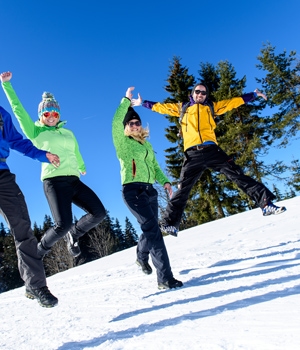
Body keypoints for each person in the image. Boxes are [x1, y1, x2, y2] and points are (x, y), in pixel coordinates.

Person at [131, 83, 286, 236]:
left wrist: (253, 95)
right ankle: (169, 224)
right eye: (197, 91)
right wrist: (143, 103)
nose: (200, 95)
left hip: (213, 151)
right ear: (192, 93)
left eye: (203, 93)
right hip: (192, 154)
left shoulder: (212, 107)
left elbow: (232, 102)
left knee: (238, 175)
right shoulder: (183, 108)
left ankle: (266, 204)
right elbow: (162, 107)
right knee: (183, 188)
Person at [0, 71, 106, 258]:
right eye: (46, 113)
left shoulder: (68, 133)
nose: (51, 116)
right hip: (53, 182)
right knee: (62, 224)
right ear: (41, 115)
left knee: (98, 212)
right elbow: (17, 109)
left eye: (54, 113)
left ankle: (75, 233)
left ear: (58, 114)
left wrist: (81, 166)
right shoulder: (35, 131)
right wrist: (6, 85)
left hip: (73, 180)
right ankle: (39, 251)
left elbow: (76, 151)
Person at [112, 86, 182, 290]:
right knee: (153, 231)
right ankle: (165, 278)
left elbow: (155, 167)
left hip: (149, 190)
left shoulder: (147, 146)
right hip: (132, 191)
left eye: (137, 123)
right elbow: (116, 123)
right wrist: (125, 101)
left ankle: (141, 256)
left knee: (150, 228)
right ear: (126, 127)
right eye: (131, 123)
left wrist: (166, 182)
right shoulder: (122, 143)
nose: (134, 125)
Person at [0, 104, 60, 307]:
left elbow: (17, 141)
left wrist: (44, 155)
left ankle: (35, 285)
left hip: (2, 177)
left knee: (22, 228)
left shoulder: (1, 114)